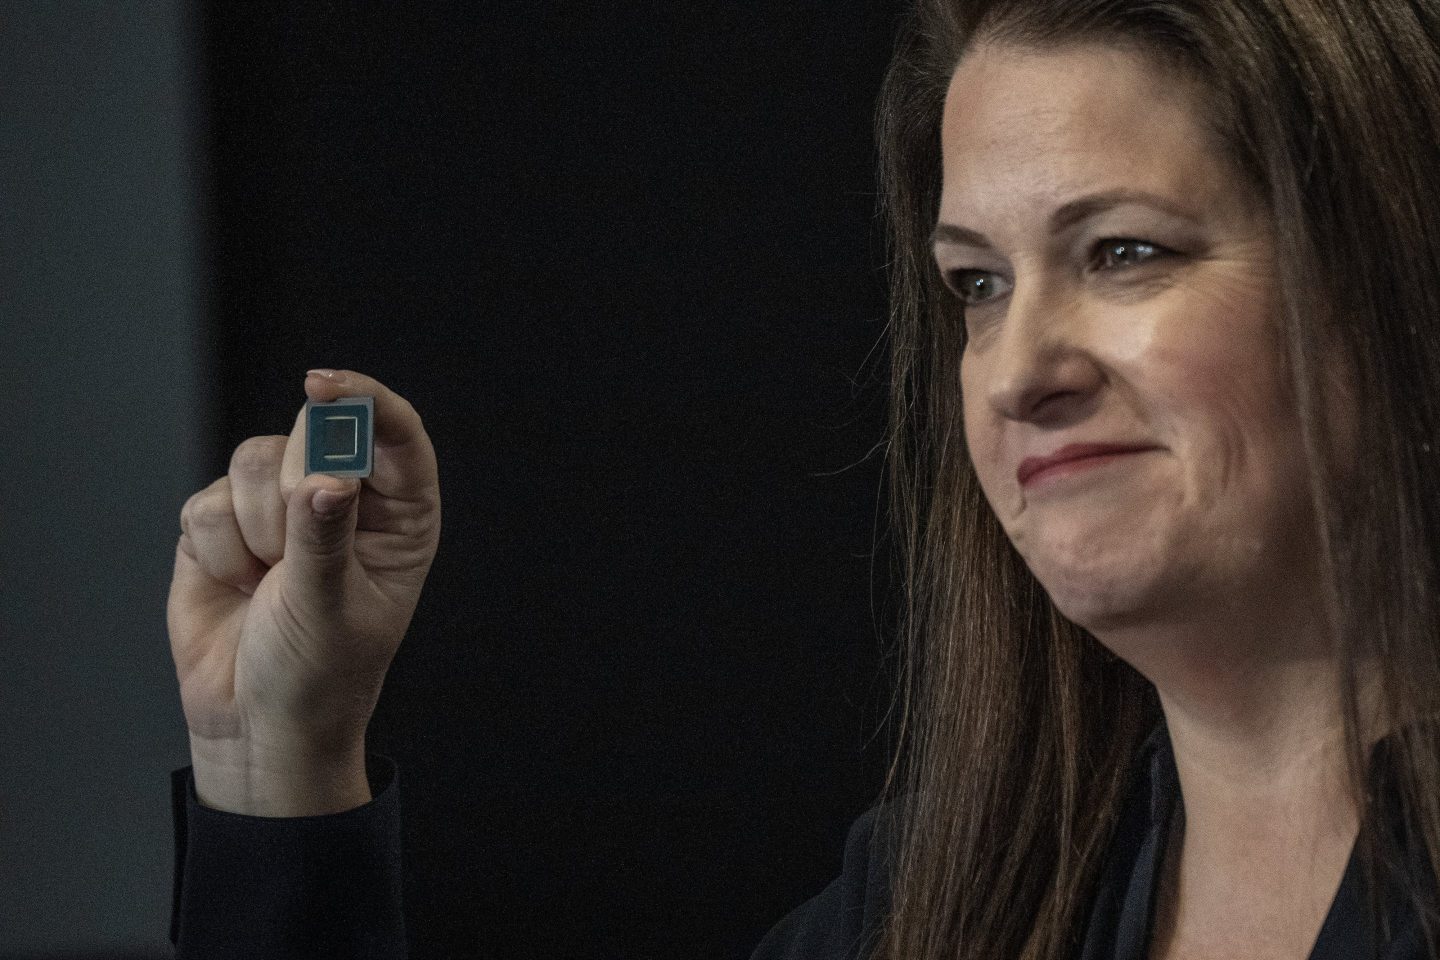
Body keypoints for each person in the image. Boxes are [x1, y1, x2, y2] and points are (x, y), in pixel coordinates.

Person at [164, 0, 1440, 957]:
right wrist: (280, 753)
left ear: (1387, 281)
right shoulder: (937, 897)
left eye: (1121, 252)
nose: (1014, 373)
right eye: (977, 287)